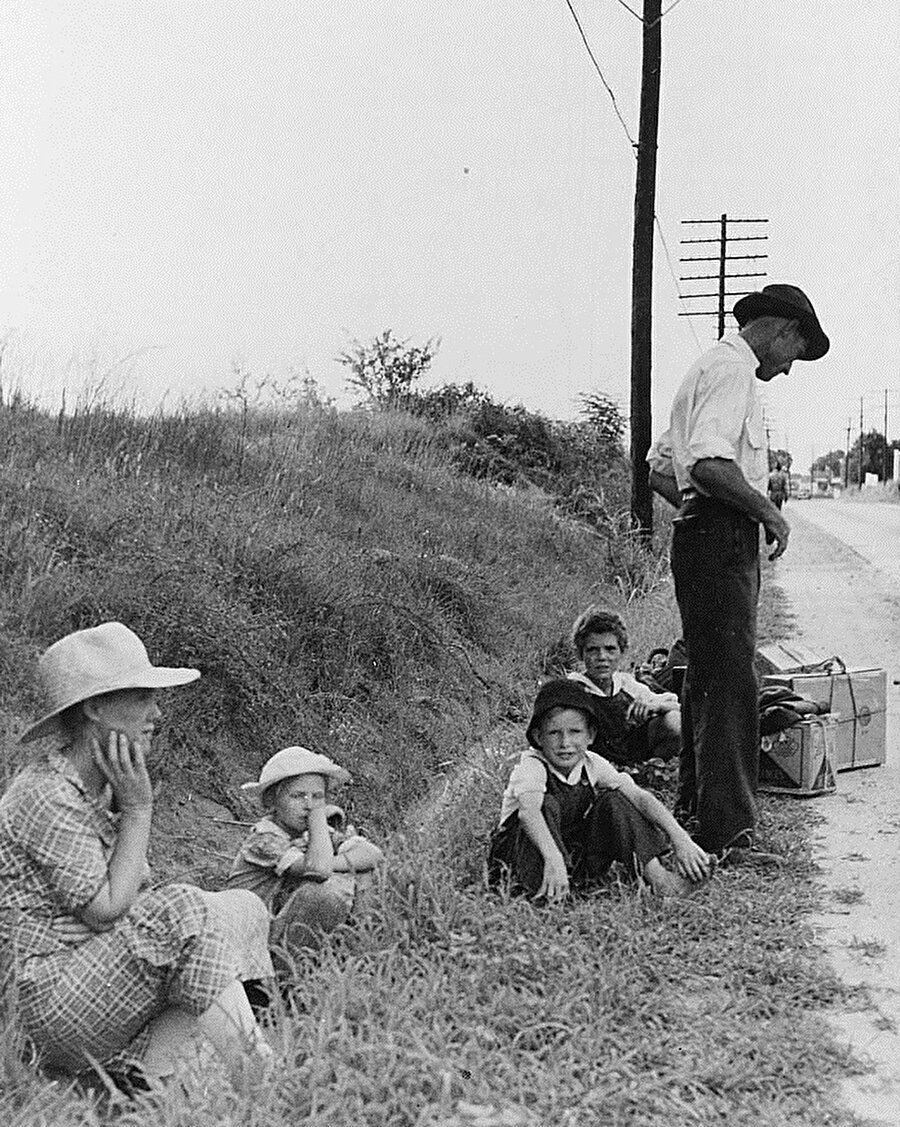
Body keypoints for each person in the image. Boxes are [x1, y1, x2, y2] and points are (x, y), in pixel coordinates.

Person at [0, 622, 275, 1087]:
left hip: (92, 970)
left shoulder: (98, 786)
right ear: (96, 708)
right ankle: (259, 1072)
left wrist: (110, 912)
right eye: (143, 697)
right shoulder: (45, 794)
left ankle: (153, 1081)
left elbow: (129, 896)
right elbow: (110, 908)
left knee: (240, 908)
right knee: (183, 911)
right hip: (48, 1001)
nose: (158, 713)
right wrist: (139, 809)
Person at [666, 283, 829, 858]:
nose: (787, 369)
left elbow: (663, 467)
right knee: (733, 681)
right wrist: (766, 516)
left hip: (705, 534)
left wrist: (694, 512)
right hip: (720, 538)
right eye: (794, 354)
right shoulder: (732, 372)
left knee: (706, 676)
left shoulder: (708, 368)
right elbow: (707, 463)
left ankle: (695, 806)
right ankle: (729, 833)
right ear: (782, 331)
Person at [487, 679, 711, 901]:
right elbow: (529, 813)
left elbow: (641, 799)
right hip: (525, 859)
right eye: (554, 733)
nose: (565, 743)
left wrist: (681, 839)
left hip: (567, 859)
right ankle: (543, 892)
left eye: (575, 732)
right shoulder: (532, 765)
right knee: (546, 804)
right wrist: (554, 859)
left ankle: (661, 881)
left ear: (591, 735)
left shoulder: (591, 763)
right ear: (538, 737)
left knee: (615, 801)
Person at [229, 746, 385, 961]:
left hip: (281, 933)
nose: (309, 805)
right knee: (327, 892)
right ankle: (283, 983)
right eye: (298, 796)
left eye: (317, 797)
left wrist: (334, 859)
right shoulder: (265, 839)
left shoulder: (311, 833)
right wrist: (319, 818)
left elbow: (372, 854)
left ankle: (362, 955)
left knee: (363, 872)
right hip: (248, 944)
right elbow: (318, 870)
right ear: (271, 801)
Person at [566, 606, 681, 768]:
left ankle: (649, 771)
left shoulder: (625, 684)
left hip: (631, 756)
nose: (602, 657)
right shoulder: (573, 690)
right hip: (593, 763)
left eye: (610, 649)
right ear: (580, 654)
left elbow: (678, 707)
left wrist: (656, 706)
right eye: (592, 650)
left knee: (674, 721)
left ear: (622, 651)